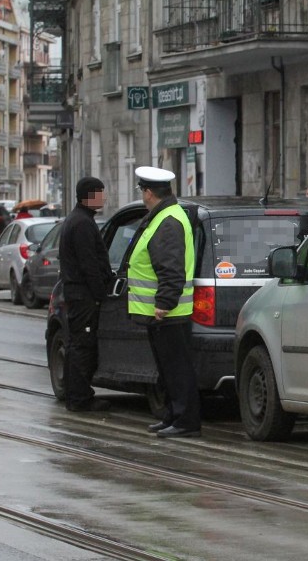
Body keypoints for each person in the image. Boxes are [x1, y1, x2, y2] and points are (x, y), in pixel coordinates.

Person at [128, 166, 201, 438]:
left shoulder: (168, 220)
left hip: (169, 311)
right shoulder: (164, 216)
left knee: (177, 369)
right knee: (168, 369)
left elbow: (172, 268)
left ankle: (186, 421)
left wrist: (164, 303)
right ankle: (173, 415)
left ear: (148, 192)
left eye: (142, 190)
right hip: (163, 311)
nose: (142, 195)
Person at [59, 177, 112, 412]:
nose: (104, 197)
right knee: (82, 345)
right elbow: (89, 263)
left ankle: (76, 394)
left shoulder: (80, 220)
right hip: (83, 295)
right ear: (88, 196)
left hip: (78, 293)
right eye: (100, 193)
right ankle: (80, 398)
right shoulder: (82, 223)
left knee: (78, 344)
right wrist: (100, 293)